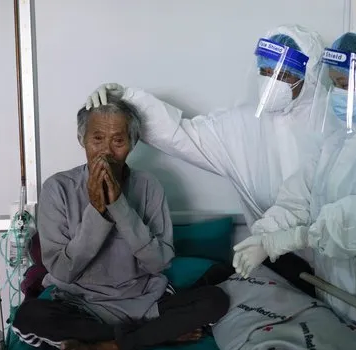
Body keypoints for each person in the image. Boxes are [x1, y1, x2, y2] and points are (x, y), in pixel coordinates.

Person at [85, 25, 324, 296]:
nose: (271, 82)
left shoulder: (334, 127)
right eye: (266, 71)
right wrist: (126, 99)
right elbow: (182, 136)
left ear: (311, 74)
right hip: (278, 263)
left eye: (283, 74)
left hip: (339, 262)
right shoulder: (242, 127)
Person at [232, 18, 356, 349]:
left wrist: (296, 237)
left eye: (347, 84)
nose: (338, 94)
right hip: (336, 294)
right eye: (334, 84)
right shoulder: (336, 141)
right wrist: (262, 235)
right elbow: (298, 197)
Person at [12, 96, 229, 350]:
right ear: (82, 141)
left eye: (118, 141)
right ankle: (157, 337)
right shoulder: (58, 188)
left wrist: (119, 206)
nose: (106, 152)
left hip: (145, 301)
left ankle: (106, 346)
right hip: (81, 304)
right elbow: (62, 272)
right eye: (97, 139)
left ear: (133, 143)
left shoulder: (148, 185)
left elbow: (159, 263)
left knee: (215, 300)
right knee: (28, 317)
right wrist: (97, 210)